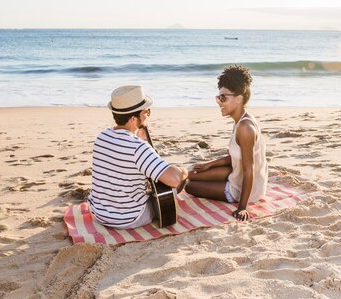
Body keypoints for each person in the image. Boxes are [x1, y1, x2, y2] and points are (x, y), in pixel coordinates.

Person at [88, 85, 188, 229]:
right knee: (174, 183)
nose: (148, 115)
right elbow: (174, 180)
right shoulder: (138, 148)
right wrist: (184, 172)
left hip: (99, 213)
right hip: (128, 218)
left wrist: (140, 139)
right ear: (134, 119)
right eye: (147, 111)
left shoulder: (101, 137)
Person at [185, 65, 268, 221]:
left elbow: (249, 170)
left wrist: (242, 208)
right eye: (218, 97)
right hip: (237, 172)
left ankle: (234, 195)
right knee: (191, 174)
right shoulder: (242, 119)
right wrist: (210, 164)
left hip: (245, 186)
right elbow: (239, 156)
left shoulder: (245, 128)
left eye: (223, 98)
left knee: (190, 186)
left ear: (239, 98)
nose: (219, 102)